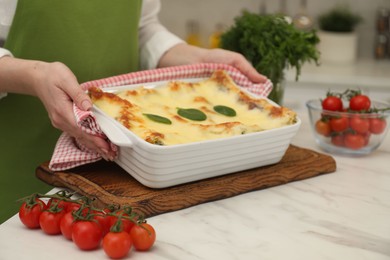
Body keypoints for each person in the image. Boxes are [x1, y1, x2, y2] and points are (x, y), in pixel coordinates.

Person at [0, 0, 267, 223]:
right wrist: (35, 76)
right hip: (20, 158)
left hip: (121, 164)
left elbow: (142, 29)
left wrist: (194, 57)